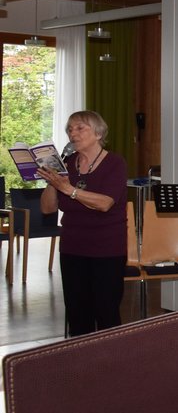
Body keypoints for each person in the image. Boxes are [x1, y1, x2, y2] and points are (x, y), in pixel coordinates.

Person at [38, 111, 127, 337]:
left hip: (106, 249)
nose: (73, 134)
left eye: (80, 128)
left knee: (106, 313)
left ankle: (111, 357)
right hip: (72, 248)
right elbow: (47, 209)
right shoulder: (67, 164)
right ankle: (79, 357)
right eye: (70, 129)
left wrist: (68, 189)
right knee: (77, 314)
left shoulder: (114, 163)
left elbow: (105, 203)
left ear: (98, 133)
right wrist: (52, 181)